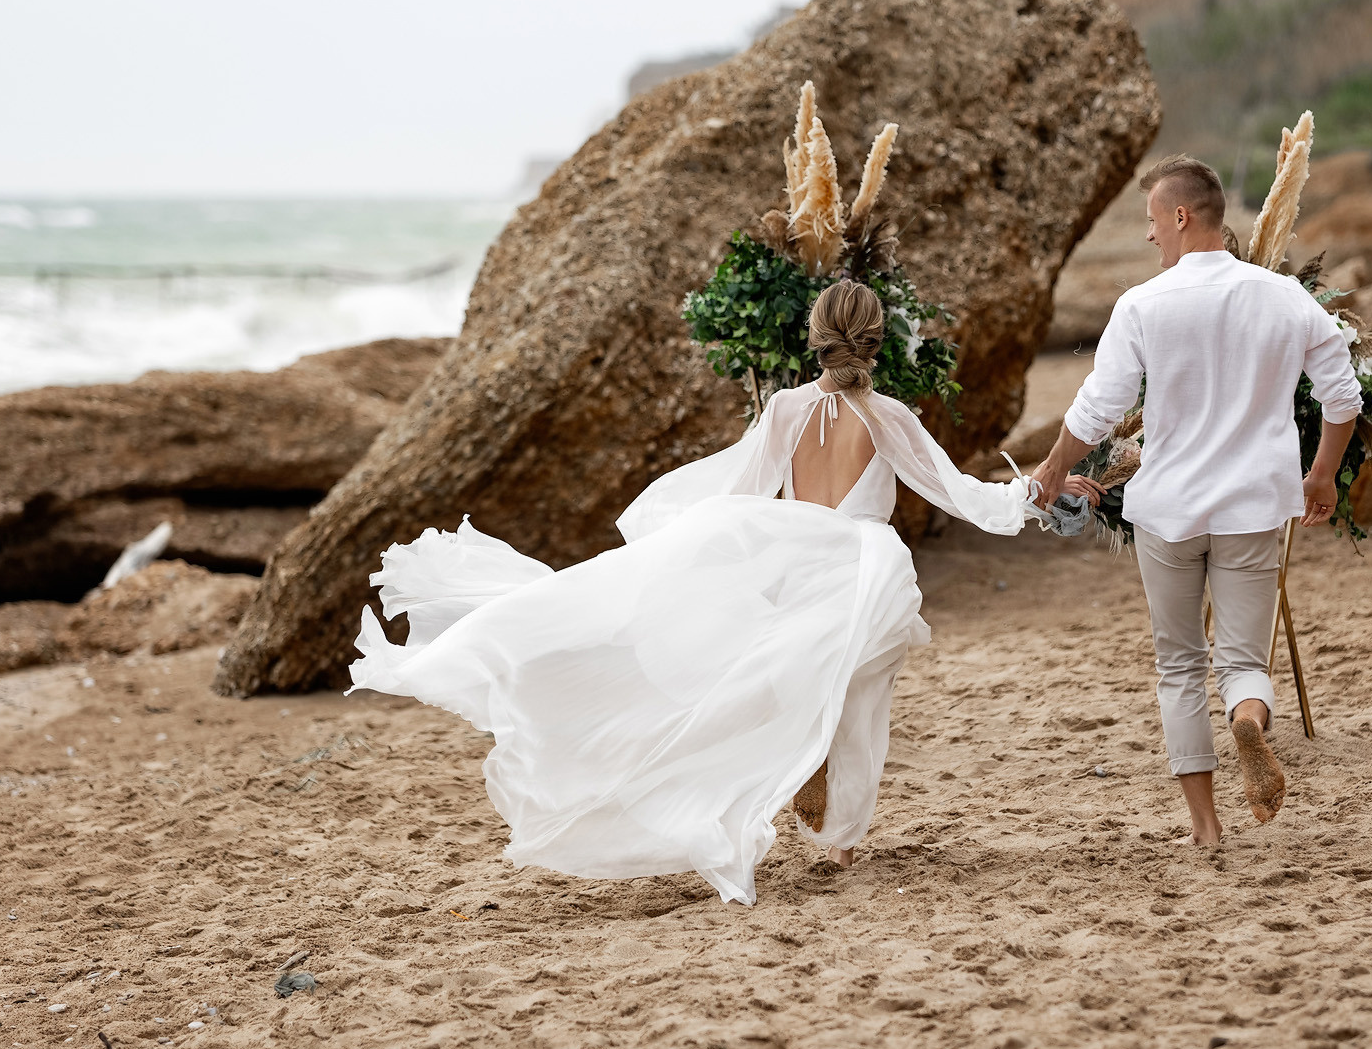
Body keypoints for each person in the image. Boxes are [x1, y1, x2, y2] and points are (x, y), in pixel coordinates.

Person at [346, 280, 1041, 904]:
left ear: (813, 336)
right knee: (857, 703)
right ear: (879, 341)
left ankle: (799, 770)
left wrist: (678, 555)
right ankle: (840, 839)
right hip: (861, 572)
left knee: (788, 688)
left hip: (797, 565)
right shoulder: (887, 415)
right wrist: (1039, 492)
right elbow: (963, 495)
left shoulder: (785, 409)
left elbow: (738, 498)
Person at [1030, 155, 1361, 846]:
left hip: (1169, 515)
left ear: (1181, 216)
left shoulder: (1142, 306)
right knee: (1244, 662)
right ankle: (1247, 716)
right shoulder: (1283, 297)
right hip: (1251, 508)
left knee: (1179, 666)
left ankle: (1207, 829)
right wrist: (1323, 473)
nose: (1151, 237)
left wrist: (1055, 470)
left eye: (1153, 221)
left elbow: (1097, 409)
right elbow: (1342, 393)